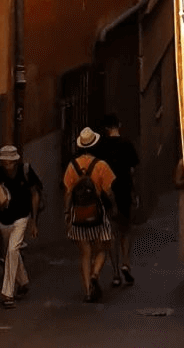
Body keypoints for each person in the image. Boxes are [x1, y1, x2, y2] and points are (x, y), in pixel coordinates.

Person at [62, 126, 115, 302]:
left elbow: (68, 192)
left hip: (78, 215)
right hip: (97, 215)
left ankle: (87, 292)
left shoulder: (72, 166)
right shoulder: (101, 165)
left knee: (85, 253)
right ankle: (95, 275)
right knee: (102, 249)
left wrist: (67, 213)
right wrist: (113, 206)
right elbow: (108, 191)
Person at [0, 143, 43, 308]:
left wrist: (34, 222)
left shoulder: (25, 170)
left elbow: (35, 195)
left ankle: (8, 293)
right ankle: (23, 281)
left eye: (11, 162)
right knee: (12, 251)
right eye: (5, 162)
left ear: (16, 161)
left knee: (12, 250)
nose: (8, 165)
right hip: (3, 219)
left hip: (21, 216)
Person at [98, 114, 140, 287]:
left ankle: (115, 273)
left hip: (107, 193)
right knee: (126, 230)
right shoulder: (127, 144)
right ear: (119, 125)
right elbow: (132, 171)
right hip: (124, 190)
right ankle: (126, 262)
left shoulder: (101, 147)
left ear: (106, 129)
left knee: (111, 234)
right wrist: (134, 192)